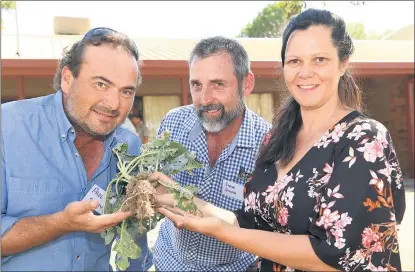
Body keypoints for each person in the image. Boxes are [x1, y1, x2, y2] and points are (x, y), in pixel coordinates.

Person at [153, 9, 406, 272]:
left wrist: (221, 232)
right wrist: (181, 197)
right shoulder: (277, 140)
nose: (305, 72)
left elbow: (339, 255)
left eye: (319, 59)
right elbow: (248, 225)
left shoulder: (362, 140)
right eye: (295, 61)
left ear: (343, 63)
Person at [1, 27, 153, 271]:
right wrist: (61, 223)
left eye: (126, 91)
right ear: (67, 79)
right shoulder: (8, 128)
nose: (114, 104)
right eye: (101, 84)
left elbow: (134, 232)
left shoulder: (129, 146)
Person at [152, 36, 271, 271]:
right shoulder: (173, 123)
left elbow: (264, 229)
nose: (205, 99)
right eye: (197, 85)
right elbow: (153, 183)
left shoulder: (268, 145)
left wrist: (182, 200)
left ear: (246, 84)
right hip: (169, 262)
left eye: (218, 84)